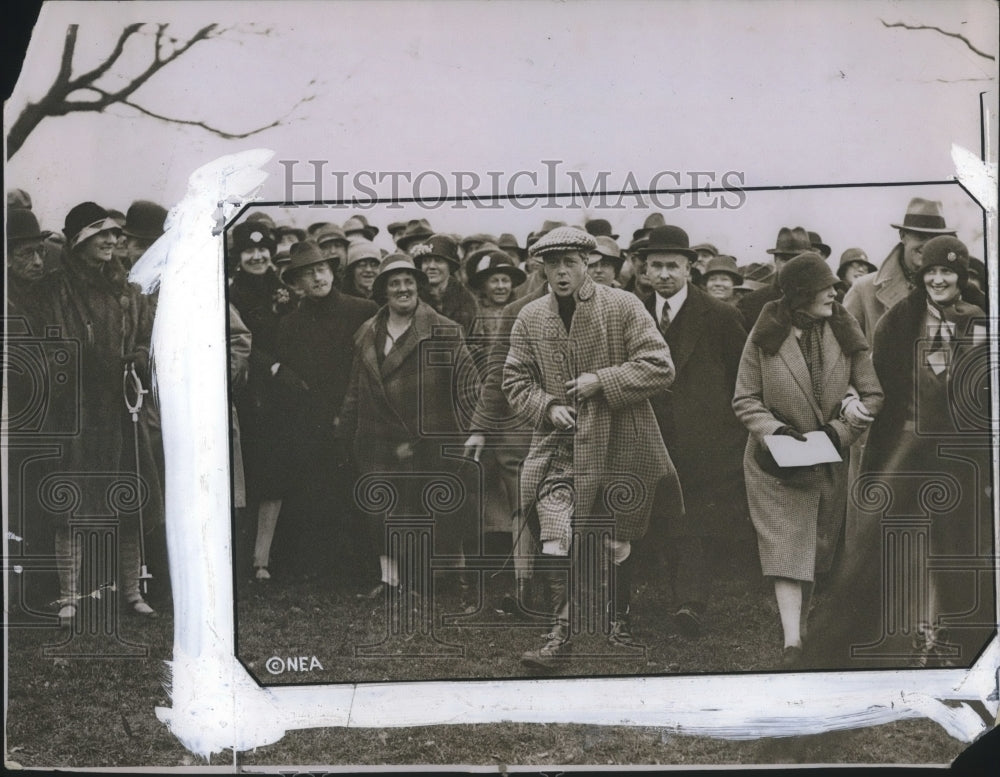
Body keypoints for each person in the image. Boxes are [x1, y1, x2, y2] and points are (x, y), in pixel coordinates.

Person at [502, 227, 683, 669]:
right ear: (540, 267)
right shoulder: (530, 317)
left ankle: (616, 619)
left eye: (571, 263)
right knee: (555, 538)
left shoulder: (622, 305)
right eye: (552, 264)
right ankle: (559, 635)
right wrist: (546, 407)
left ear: (589, 264)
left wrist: (603, 380)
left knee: (615, 542)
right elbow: (514, 381)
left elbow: (661, 366)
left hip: (622, 438)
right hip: (560, 447)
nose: (561, 273)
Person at [809, 236, 992, 669]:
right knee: (903, 545)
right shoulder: (898, 322)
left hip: (962, 455)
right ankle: (910, 638)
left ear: (961, 276)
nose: (939, 279)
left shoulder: (979, 320)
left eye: (947, 272)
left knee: (957, 547)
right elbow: (877, 382)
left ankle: (950, 638)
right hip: (905, 453)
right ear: (920, 275)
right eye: (931, 272)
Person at [733, 252, 883, 667]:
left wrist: (843, 427)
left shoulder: (843, 327)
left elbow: (872, 394)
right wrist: (775, 433)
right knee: (785, 549)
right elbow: (745, 399)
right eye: (826, 287)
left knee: (814, 551)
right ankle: (792, 642)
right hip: (773, 462)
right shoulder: (766, 333)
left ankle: (803, 627)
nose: (835, 293)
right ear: (800, 294)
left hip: (828, 458)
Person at [40, 202, 162, 622]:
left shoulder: (128, 288)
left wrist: (140, 357)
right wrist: (98, 363)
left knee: (129, 501)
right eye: (101, 235)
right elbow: (58, 346)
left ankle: (132, 593)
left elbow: (146, 333)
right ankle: (69, 595)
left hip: (121, 409)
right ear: (79, 242)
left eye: (114, 234)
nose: (112, 240)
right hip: (78, 409)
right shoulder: (58, 288)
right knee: (72, 505)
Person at [338, 253, 480, 603]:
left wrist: (473, 431)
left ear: (418, 286)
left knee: (431, 512)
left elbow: (468, 388)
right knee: (379, 512)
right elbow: (356, 388)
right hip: (376, 438)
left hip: (428, 438)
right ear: (384, 290)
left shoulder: (444, 330)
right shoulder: (367, 332)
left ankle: (439, 580)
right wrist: (347, 428)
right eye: (394, 283)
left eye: (408, 282)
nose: (403, 289)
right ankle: (390, 580)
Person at [634, 225, 750, 639]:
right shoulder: (634, 312)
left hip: (704, 439)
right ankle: (658, 594)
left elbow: (741, 378)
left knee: (697, 519)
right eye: (656, 266)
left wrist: (730, 433)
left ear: (689, 267)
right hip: (649, 434)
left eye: (673, 266)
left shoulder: (720, 316)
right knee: (657, 517)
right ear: (645, 270)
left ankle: (690, 603)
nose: (664, 274)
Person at [272, 241, 378, 580]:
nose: (317, 278)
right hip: (313, 424)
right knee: (319, 493)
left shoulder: (363, 310)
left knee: (361, 491)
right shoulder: (290, 325)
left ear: (332, 271)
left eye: (320, 269)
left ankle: (367, 566)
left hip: (360, 416)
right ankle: (325, 567)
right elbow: (294, 380)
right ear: (297, 283)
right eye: (307, 274)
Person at [227, 220, 295, 580]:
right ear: (238, 257)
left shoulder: (284, 293)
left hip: (280, 396)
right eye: (249, 251)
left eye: (262, 250)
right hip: (245, 392)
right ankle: (240, 557)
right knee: (245, 474)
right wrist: (269, 366)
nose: (256, 256)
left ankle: (263, 559)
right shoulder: (230, 294)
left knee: (274, 474)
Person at [843, 197, 957, 344]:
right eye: (921, 236)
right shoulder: (864, 289)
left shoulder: (954, 289)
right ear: (903, 236)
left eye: (935, 238)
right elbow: (844, 350)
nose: (928, 245)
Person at [735, 226, 814, 329]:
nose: (791, 265)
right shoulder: (750, 303)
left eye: (798, 259)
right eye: (785, 259)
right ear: (776, 261)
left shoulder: (823, 301)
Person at [410, 234, 479, 335]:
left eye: (438, 261)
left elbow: (477, 341)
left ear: (450, 266)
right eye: (426, 261)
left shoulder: (466, 300)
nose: (431, 266)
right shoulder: (413, 297)